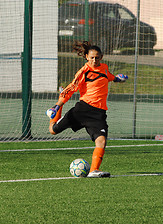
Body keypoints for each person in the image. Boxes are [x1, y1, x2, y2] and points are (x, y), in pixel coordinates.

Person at [46, 41, 128, 178]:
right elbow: (72, 88)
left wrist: (118, 79)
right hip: (82, 110)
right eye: (91, 58)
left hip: (98, 114)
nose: (94, 60)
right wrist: (57, 105)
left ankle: (94, 170)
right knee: (53, 130)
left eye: (97, 57)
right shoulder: (84, 72)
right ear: (86, 57)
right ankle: (55, 114)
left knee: (101, 141)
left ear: (101, 57)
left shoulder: (104, 68)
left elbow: (109, 77)